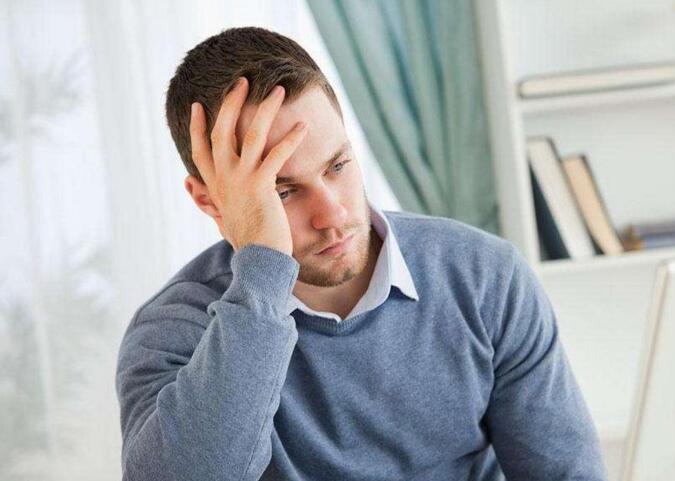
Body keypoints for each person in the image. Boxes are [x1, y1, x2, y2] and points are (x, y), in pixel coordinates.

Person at [115, 26, 607, 481]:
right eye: (282, 191)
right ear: (210, 201)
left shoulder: (486, 278)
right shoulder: (174, 329)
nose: (331, 214)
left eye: (338, 165)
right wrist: (261, 275)